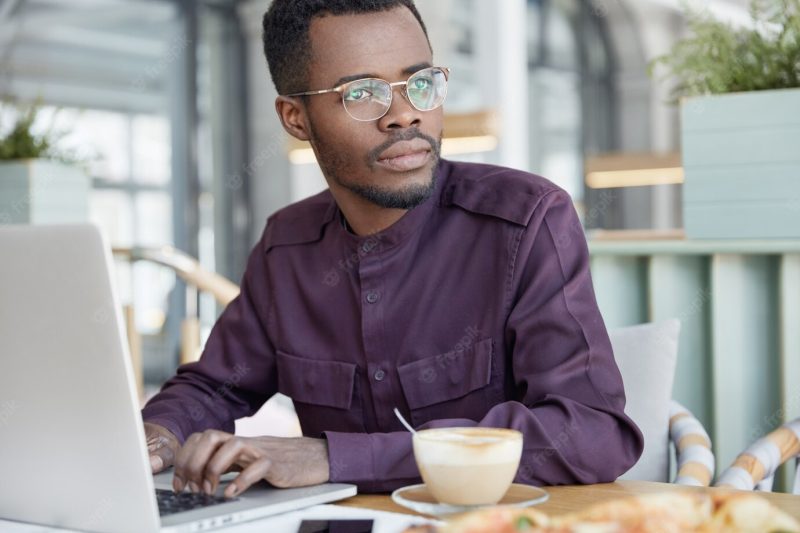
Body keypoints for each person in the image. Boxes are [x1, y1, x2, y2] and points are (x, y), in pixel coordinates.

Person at [142, 0, 643, 499]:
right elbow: (215, 386)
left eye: (421, 83)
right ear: (295, 118)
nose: (405, 114)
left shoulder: (525, 222)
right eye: (362, 93)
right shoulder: (286, 246)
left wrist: (334, 457)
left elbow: (592, 432)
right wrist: (158, 437)